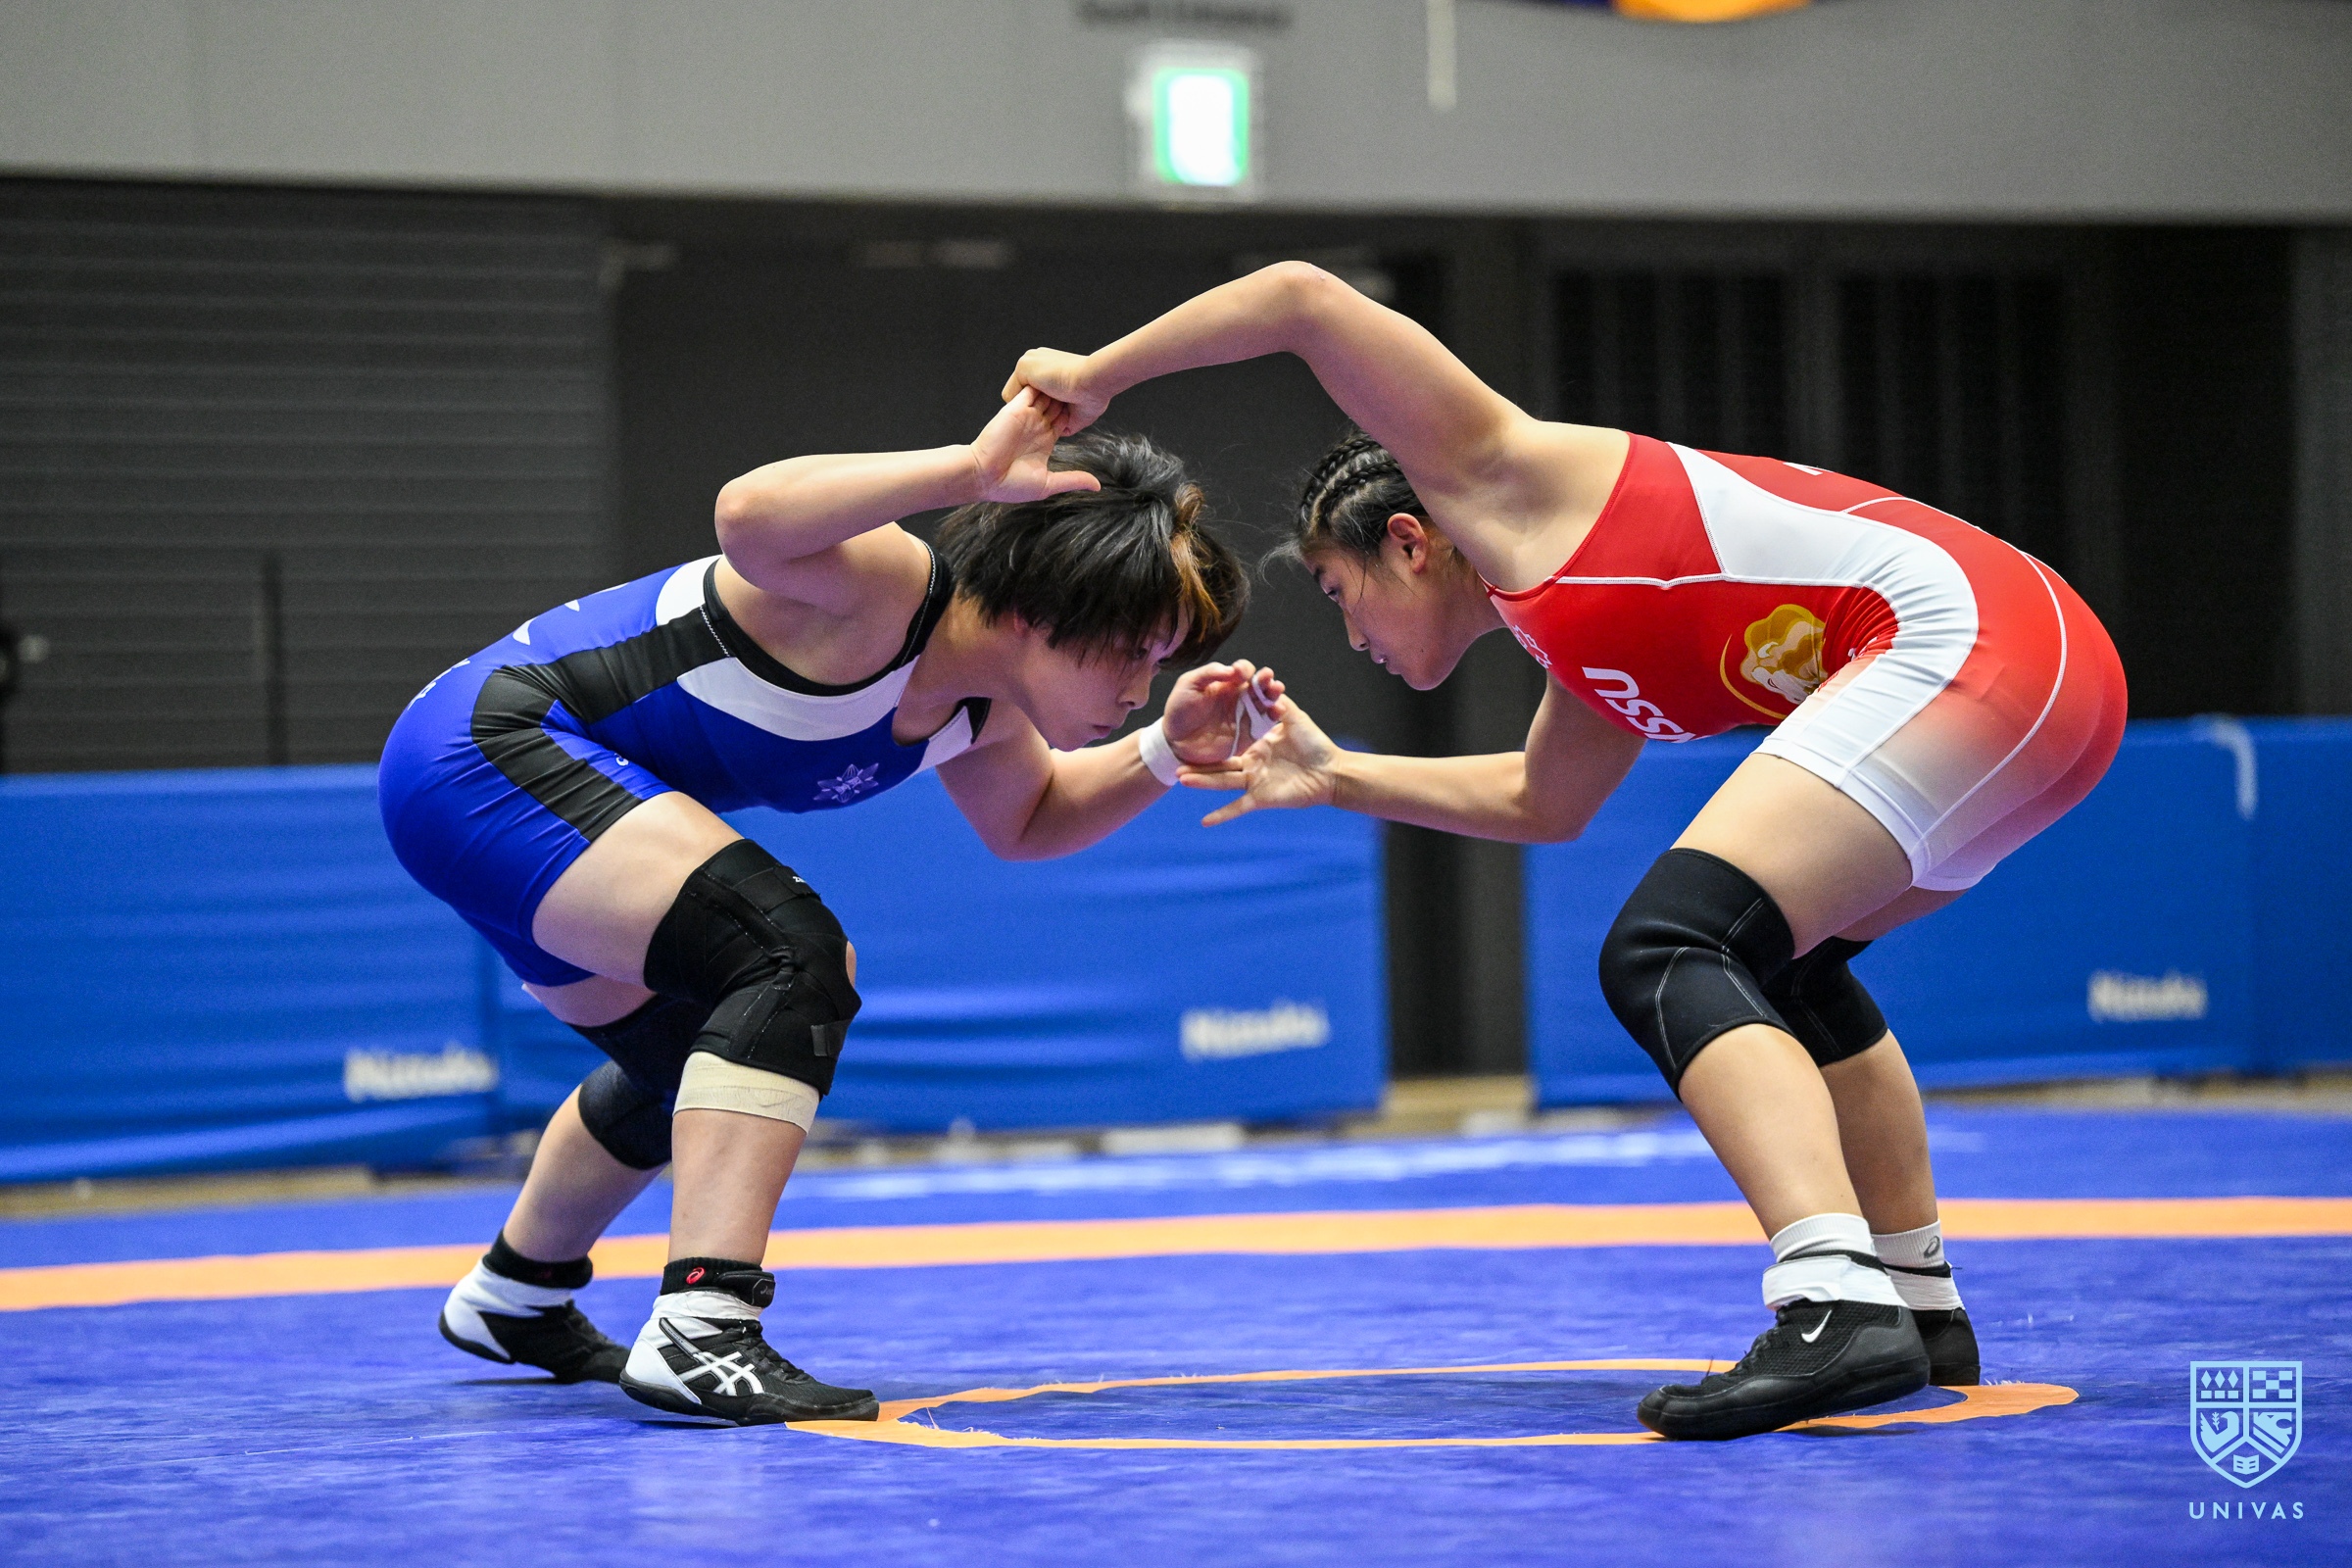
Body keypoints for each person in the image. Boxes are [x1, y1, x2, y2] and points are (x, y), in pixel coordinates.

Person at [1002, 264, 2128, 1441]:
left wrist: (1097, 374)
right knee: (1786, 969)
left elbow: (1299, 297)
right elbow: (1543, 802)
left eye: (1340, 591)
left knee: (1671, 947)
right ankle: (1916, 1301)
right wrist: (1336, 778)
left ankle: (1833, 1298)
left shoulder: (1499, 474)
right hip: (2053, 682)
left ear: (1408, 542)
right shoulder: (1573, 630)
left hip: (1973, 643)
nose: (1350, 630)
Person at [379, 390, 1254, 1426]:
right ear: (1039, 608)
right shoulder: (887, 587)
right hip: (486, 755)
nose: (1141, 688)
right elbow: (748, 514)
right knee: (789, 957)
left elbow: (1030, 823)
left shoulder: (984, 711)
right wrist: (969, 472)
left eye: (1159, 662)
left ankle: (516, 1296)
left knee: (694, 1063)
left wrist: (1164, 755)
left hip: (511, 785)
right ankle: (704, 1329)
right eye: (1131, 652)